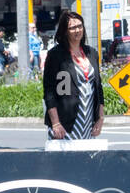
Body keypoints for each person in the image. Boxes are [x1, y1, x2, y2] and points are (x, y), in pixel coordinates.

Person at [42, 11, 104, 141]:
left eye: (79, 26)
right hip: (64, 123)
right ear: (65, 31)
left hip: (88, 122)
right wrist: (55, 123)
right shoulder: (56, 55)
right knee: (64, 160)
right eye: (72, 27)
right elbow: (50, 91)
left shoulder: (91, 53)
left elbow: (98, 88)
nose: (77, 30)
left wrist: (100, 118)